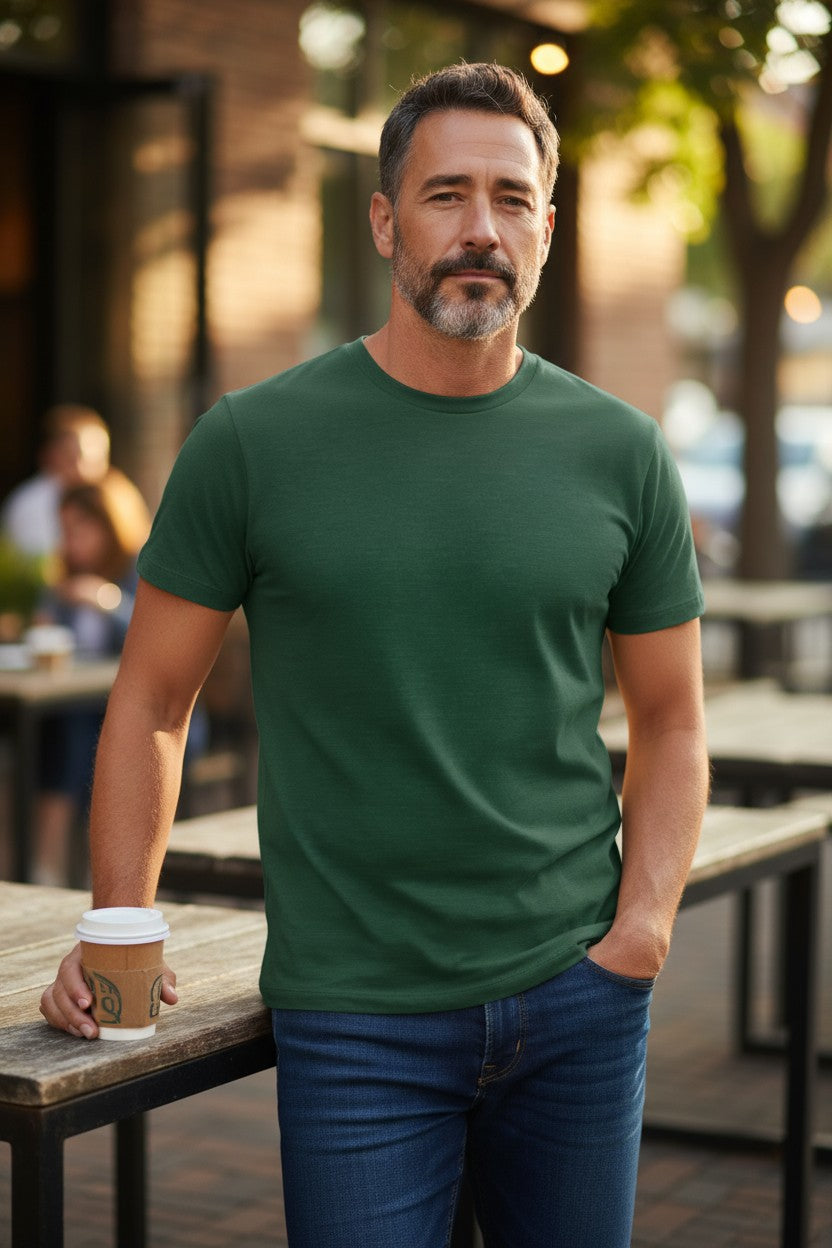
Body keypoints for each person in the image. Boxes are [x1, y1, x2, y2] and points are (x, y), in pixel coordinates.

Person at [41, 63, 709, 1247]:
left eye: (511, 198)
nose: (480, 228)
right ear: (385, 221)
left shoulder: (622, 452)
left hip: (577, 998)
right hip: (355, 1020)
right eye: (446, 194)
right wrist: (116, 926)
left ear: (547, 231)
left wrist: (640, 934)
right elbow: (150, 699)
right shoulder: (252, 443)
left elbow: (671, 719)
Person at [32, 469, 151, 884]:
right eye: (65, 530)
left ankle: (75, 869)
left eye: (80, 529)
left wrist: (106, 601)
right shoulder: (65, 570)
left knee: (82, 737)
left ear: (108, 524)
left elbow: (154, 638)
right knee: (57, 733)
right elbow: (47, 631)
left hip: (140, 708)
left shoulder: (139, 566)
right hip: (76, 701)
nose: (72, 541)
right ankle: (54, 867)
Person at [1, 404, 111, 560]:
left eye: (99, 458)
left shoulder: (115, 499)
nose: (90, 467)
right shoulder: (31, 505)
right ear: (52, 455)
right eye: (77, 457)